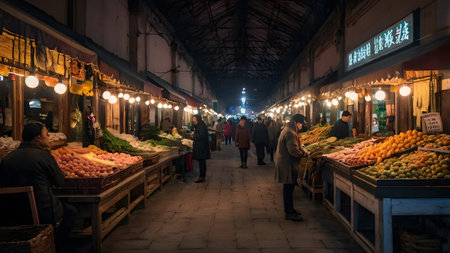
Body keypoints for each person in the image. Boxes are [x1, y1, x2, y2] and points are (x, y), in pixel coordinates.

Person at [0, 122, 78, 251]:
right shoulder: (44, 156)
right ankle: (56, 245)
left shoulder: (8, 158)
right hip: (42, 211)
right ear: (38, 138)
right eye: (46, 135)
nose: (49, 137)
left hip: (11, 213)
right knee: (71, 211)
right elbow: (59, 181)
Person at [275, 114, 310, 222]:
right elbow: (293, 151)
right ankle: (289, 213)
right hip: (287, 164)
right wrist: (304, 154)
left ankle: (290, 209)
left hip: (286, 163)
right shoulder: (290, 132)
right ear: (296, 123)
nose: (301, 126)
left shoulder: (289, 129)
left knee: (289, 188)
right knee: (288, 188)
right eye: (300, 124)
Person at [192, 115, 210, 183]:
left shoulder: (201, 126)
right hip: (201, 146)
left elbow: (201, 135)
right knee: (201, 162)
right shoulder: (199, 125)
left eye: (194, 118)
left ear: (197, 119)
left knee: (202, 162)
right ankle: (202, 176)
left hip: (201, 147)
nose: (193, 120)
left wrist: (193, 137)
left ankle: (201, 177)